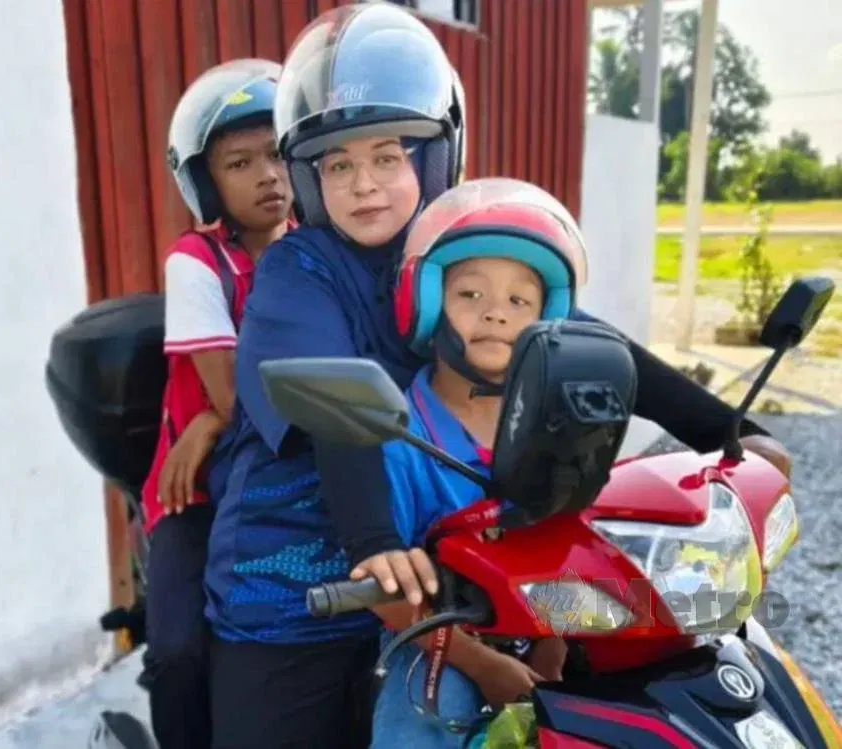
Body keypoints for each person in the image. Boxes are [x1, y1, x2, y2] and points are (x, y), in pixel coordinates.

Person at [203, 6, 792, 749]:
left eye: (388, 156)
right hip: (302, 587)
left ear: (433, 156)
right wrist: (377, 540)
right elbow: (335, 397)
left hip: (454, 577)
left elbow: (577, 335)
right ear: (308, 176)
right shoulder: (299, 271)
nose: (365, 185)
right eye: (339, 164)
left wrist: (731, 431)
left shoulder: (459, 244)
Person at [370, 178, 588, 748]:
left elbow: (571, 541)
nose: (495, 313)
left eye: (520, 300)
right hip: (435, 639)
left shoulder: (557, 427)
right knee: (425, 720)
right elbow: (385, 589)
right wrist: (482, 665)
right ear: (427, 301)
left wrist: (551, 646)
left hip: (543, 628)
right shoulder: (401, 434)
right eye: (470, 295)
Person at [138, 58, 293, 749]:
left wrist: (217, 415)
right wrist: (211, 415)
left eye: (278, 152)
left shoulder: (320, 249)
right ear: (206, 181)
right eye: (239, 163)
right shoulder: (198, 261)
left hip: (290, 477)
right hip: (196, 493)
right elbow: (238, 397)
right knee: (176, 652)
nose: (267, 175)